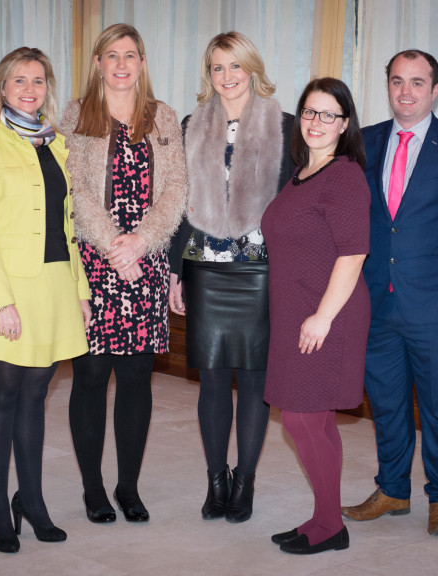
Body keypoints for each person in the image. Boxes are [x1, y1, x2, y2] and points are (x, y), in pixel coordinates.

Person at [341, 49, 438, 536]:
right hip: (375, 301)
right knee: (386, 404)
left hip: (434, 304)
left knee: (436, 405)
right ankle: (393, 490)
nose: (405, 91)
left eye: (416, 82)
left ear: (434, 90)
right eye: (396, 81)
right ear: (387, 86)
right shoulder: (363, 143)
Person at [0, 47, 92, 554]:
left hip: (56, 284)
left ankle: (31, 501)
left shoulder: (57, 143)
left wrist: (79, 291)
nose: (30, 89)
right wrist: (0, 302)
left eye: (39, 81)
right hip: (9, 289)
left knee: (37, 396)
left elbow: (69, 225)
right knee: (3, 394)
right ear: (2, 88)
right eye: (20, 80)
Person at [61, 23, 187, 524]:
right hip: (93, 260)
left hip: (147, 262)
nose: (120, 64)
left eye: (130, 55)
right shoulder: (75, 115)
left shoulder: (163, 118)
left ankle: (128, 487)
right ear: (97, 62)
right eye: (111, 55)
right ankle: (93, 489)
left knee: (136, 376)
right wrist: (115, 244)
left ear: (141, 62)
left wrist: (141, 242)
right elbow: (73, 187)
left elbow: (177, 190)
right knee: (91, 374)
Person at [168, 31, 294, 523]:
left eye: (234, 66)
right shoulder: (190, 124)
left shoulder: (285, 125)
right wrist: (176, 272)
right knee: (213, 381)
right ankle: (215, 479)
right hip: (205, 269)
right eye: (217, 68)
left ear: (252, 69)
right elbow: (180, 205)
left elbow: (295, 204)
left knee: (256, 380)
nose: (226, 77)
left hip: (262, 271)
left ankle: (246, 481)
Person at [261, 78, 370, 554]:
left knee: (302, 421)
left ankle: (330, 526)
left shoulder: (344, 175)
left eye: (329, 115)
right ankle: (326, 518)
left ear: (345, 124)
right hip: (295, 311)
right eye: (309, 111)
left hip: (328, 311)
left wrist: (323, 317)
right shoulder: (303, 172)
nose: (317, 122)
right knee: (313, 420)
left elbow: (352, 254)